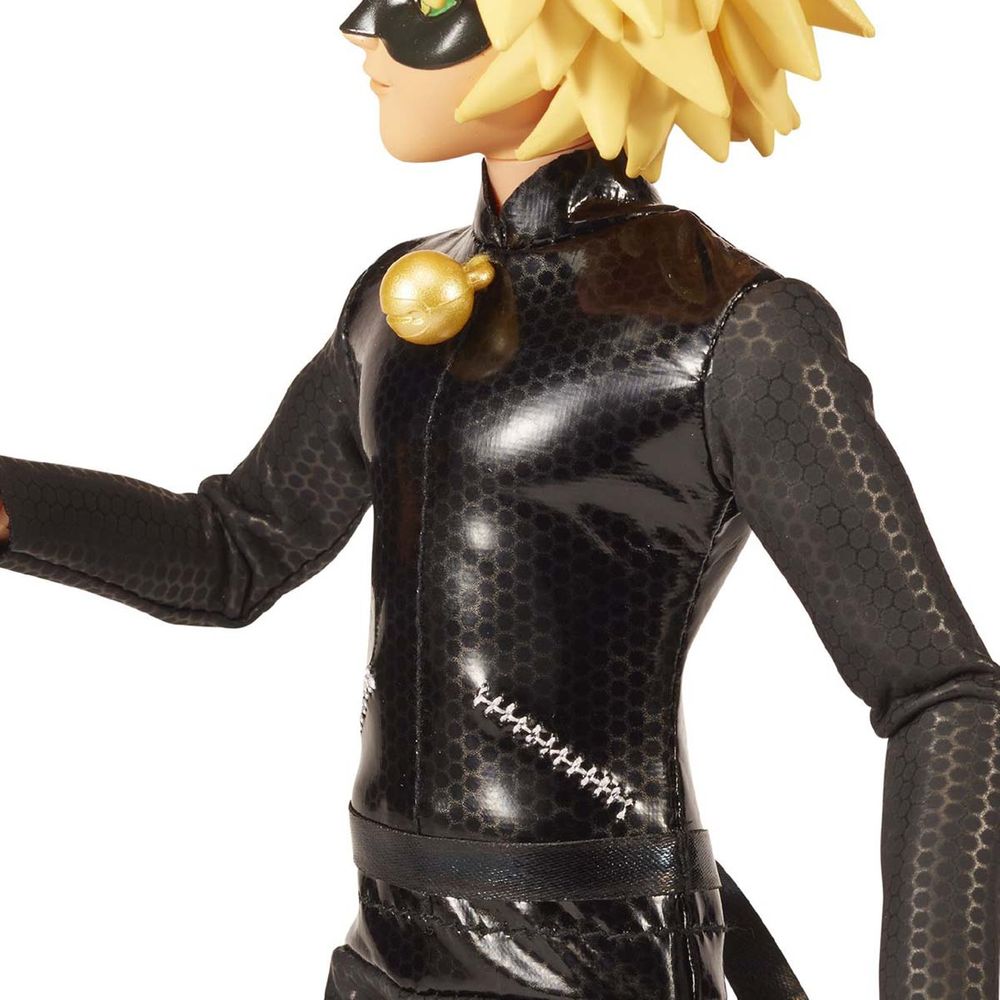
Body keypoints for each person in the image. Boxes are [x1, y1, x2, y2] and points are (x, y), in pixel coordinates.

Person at [2, 2, 997, 998]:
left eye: (433, 2)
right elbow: (237, 546)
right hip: (384, 951)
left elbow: (942, 690)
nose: (363, 29)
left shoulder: (729, 330)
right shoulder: (397, 300)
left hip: (595, 963)